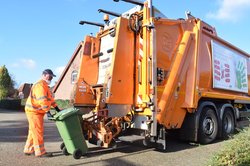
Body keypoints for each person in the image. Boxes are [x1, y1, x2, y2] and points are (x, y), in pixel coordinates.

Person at [23, 69, 61, 157]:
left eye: (52, 77)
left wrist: (56, 108)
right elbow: (42, 100)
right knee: (37, 131)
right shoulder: (40, 85)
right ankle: (40, 152)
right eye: (49, 76)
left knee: (33, 131)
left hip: (35, 111)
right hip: (34, 112)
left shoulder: (45, 86)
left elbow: (50, 99)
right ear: (44, 75)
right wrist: (47, 111)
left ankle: (28, 149)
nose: (50, 79)